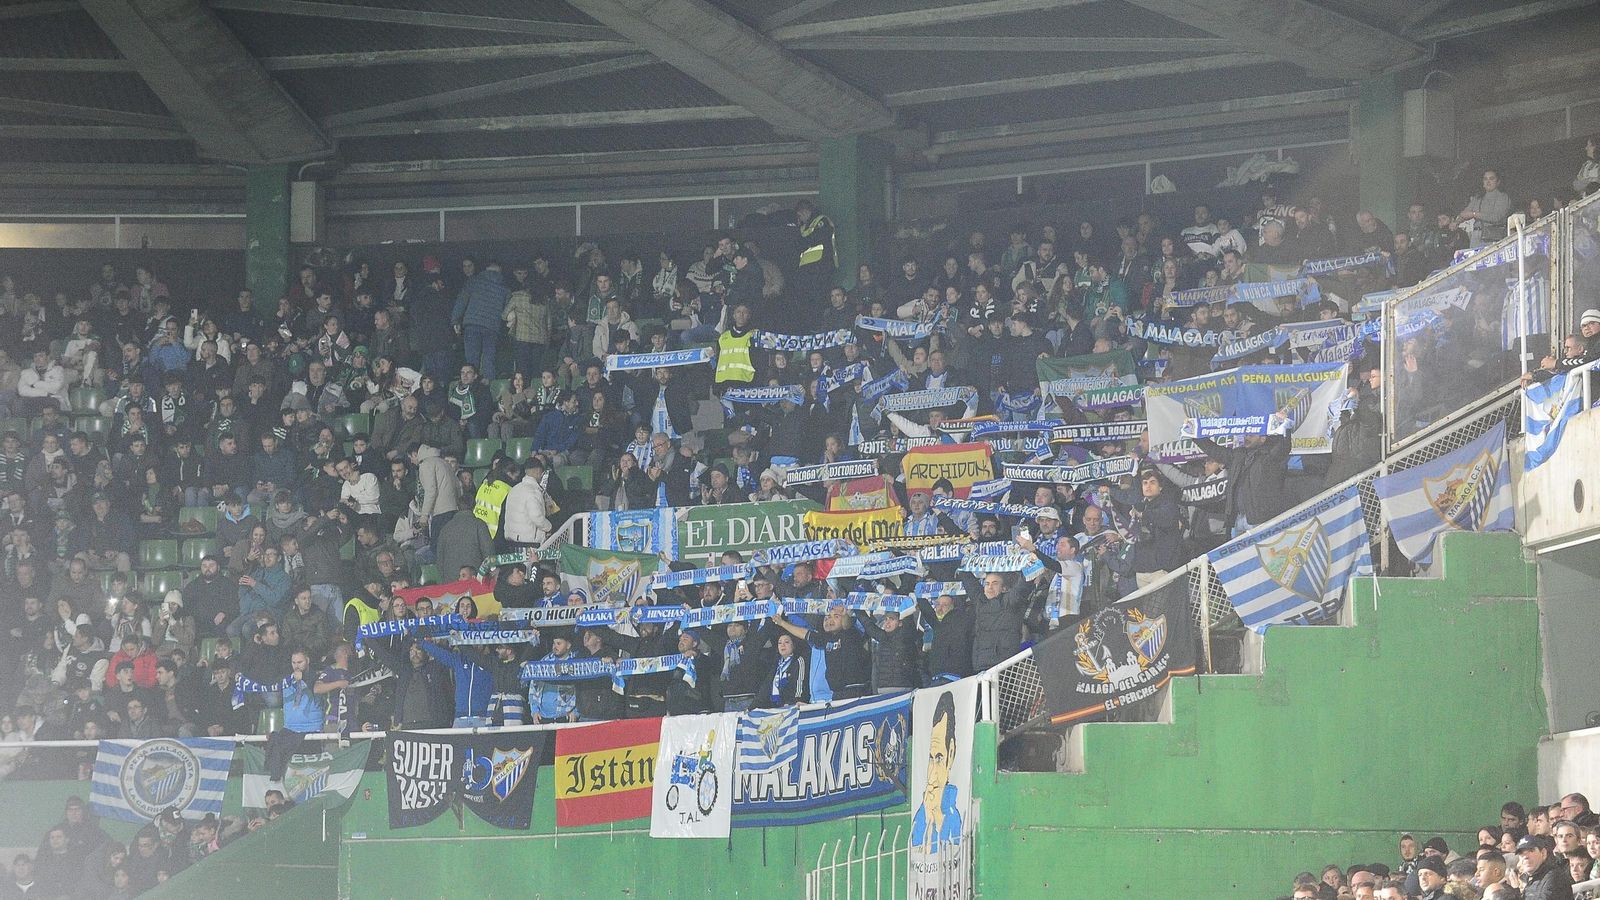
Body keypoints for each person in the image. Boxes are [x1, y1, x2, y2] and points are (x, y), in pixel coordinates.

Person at [912, 689, 962, 853]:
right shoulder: (922, 812)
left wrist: (937, 820)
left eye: (939, 758)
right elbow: (914, 851)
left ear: (951, 753)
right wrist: (926, 817)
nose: (932, 772)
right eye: (930, 758)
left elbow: (955, 861)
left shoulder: (954, 817)